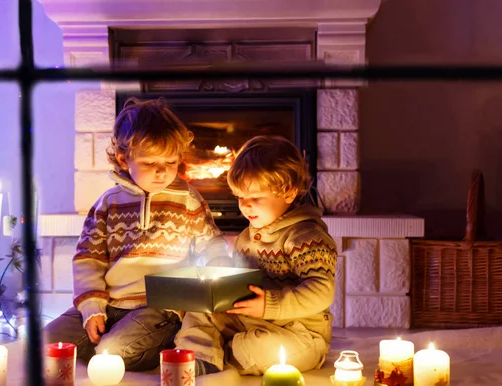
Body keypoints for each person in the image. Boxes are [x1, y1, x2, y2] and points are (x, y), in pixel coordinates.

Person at [44, 97, 229, 371]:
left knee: (111, 351)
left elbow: (212, 244)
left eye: (170, 161)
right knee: (47, 340)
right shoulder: (108, 204)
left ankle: (147, 344)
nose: (161, 171)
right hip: (111, 304)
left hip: (159, 308)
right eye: (150, 161)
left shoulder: (187, 199)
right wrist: (91, 308)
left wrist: (218, 278)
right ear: (123, 158)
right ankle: (111, 343)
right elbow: (88, 260)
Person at [174, 135, 338, 376]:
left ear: (289, 193)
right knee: (199, 313)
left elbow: (323, 290)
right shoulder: (246, 237)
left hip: (299, 332)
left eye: (256, 198)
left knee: (263, 348)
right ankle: (201, 358)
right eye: (240, 198)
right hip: (250, 320)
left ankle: (223, 354)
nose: (245, 206)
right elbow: (239, 278)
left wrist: (270, 304)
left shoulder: (306, 237)